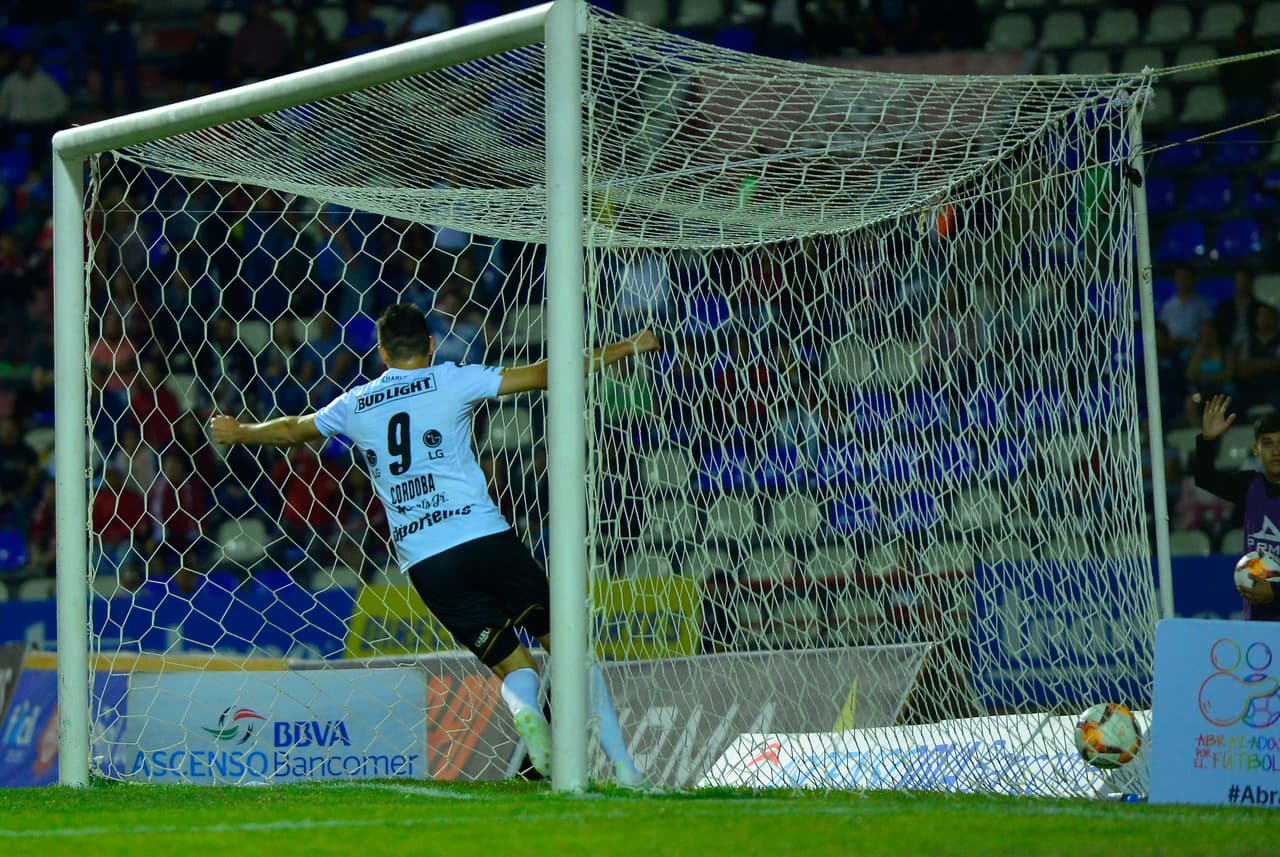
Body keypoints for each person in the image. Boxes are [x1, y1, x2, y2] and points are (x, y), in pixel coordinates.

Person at [210, 303, 660, 785]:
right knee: (570, 652)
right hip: (484, 537)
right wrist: (627, 347)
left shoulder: (357, 402)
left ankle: (524, 705)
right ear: (429, 345)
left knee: (512, 664)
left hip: (428, 561)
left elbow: (292, 429)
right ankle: (626, 771)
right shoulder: (451, 378)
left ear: (382, 353)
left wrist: (239, 433)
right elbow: (547, 374)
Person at [1192, 395, 1280, 620]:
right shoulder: (1250, 485)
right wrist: (1208, 440)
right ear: (1255, 449)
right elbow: (1205, 478)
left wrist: (1275, 591)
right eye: (1268, 443)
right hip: (1257, 617)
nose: (1276, 450)